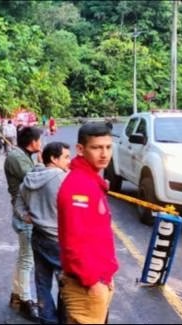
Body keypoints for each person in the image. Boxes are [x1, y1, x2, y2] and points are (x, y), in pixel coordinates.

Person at [57, 122, 118, 324]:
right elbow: (75, 241)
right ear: (80, 149)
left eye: (108, 147)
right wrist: (93, 281)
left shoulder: (91, 181)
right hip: (86, 285)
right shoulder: (79, 186)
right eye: (96, 147)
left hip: (97, 280)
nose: (104, 154)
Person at [14, 142, 71, 324]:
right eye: (66, 157)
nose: (69, 161)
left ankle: (48, 319)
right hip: (58, 239)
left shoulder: (30, 178)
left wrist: (27, 216)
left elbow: (18, 204)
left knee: (42, 282)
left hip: (38, 236)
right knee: (67, 284)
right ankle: (63, 319)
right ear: (54, 159)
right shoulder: (62, 178)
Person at [4, 126, 43, 321]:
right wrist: (44, 164)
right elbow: (35, 179)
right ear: (32, 141)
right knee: (28, 259)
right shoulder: (16, 157)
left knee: (24, 257)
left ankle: (16, 295)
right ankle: (26, 300)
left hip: (26, 210)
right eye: (39, 140)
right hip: (24, 213)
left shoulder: (24, 156)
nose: (41, 143)